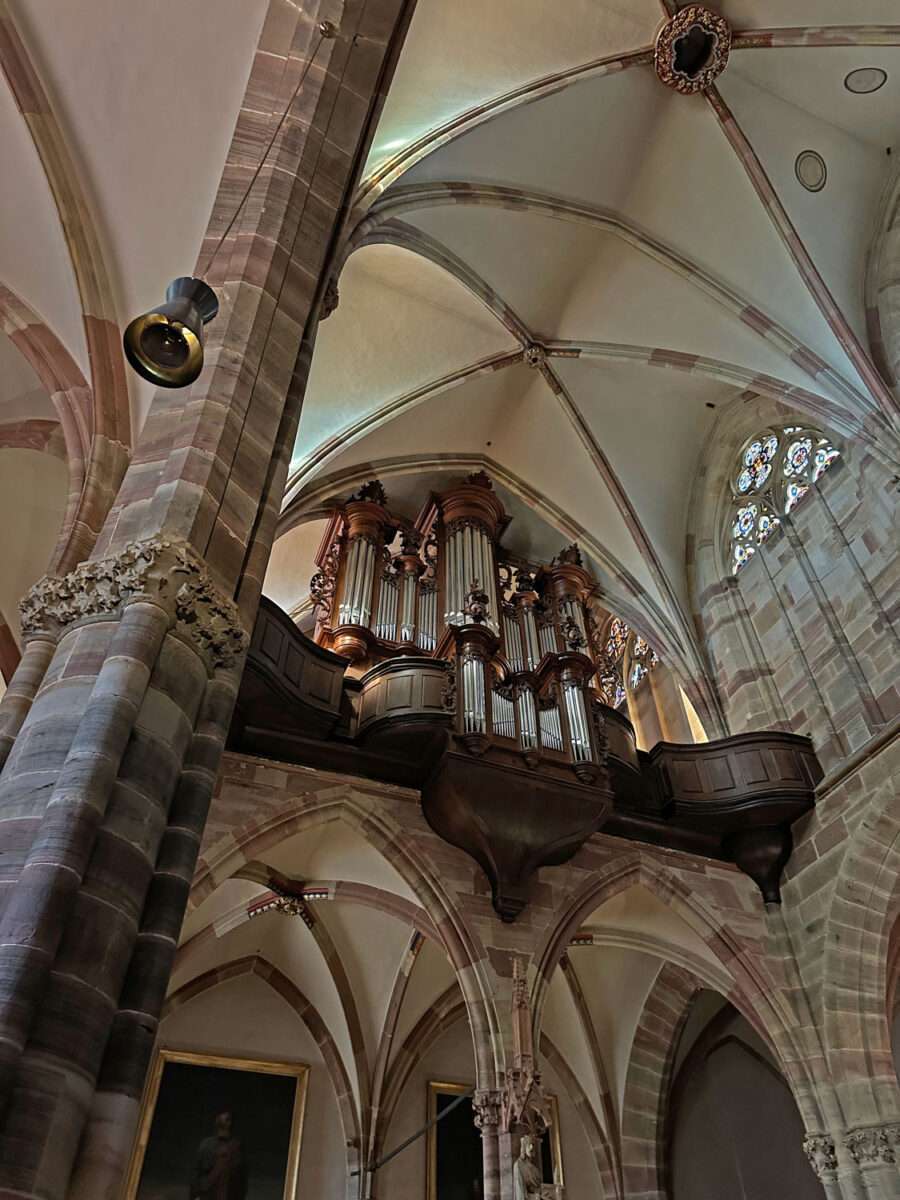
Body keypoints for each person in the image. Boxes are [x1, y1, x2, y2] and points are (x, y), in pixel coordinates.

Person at [189, 1110, 247, 1200]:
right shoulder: (206, 1144)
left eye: (229, 1119)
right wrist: (194, 1195)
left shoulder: (237, 1146)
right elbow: (196, 1172)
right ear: (216, 1121)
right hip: (208, 1195)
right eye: (226, 1119)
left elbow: (242, 1177)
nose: (228, 1122)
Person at [512, 1134, 542, 1200]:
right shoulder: (518, 1165)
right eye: (529, 1144)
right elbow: (520, 1194)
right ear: (524, 1147)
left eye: (533, 1144)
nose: (531, 1147)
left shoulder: (535, 1169)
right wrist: (535, 1197)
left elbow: (539, 1189)